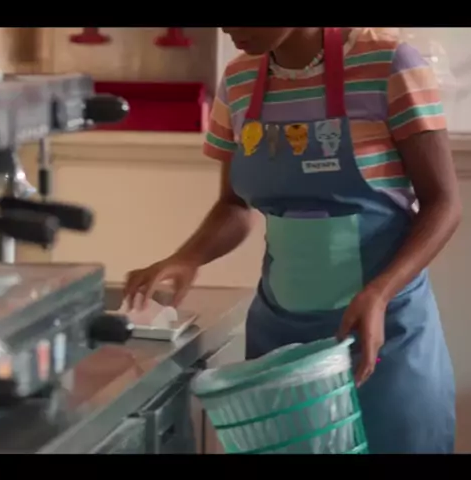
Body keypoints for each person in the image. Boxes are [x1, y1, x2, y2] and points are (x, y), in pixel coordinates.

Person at [123, 27, 459, 454]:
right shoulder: (239, 79)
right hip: (281, 345)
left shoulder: (390, 65)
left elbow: (443, 204)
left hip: (382, 335)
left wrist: (379, 292)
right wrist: (187, 258)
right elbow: (234, 205)